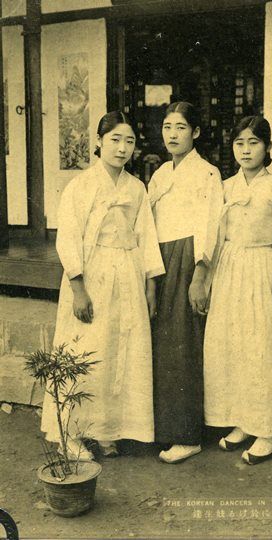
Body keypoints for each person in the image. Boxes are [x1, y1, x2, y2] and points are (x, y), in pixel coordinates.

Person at [41, 111, 165, 460]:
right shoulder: (81, 186)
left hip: (127, 272)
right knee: (88, 350)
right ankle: (73, 435)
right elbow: (68, 238)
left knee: (119, 351)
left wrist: (150, 285)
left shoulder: (136, 187)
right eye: (114, 140)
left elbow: (147, 239)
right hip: (91, 275)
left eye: (129, 141)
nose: (122, 148)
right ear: (98, 142)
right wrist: (78, 287)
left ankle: (108, 429)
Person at [204, 116, 272, 464]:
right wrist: (209, 278)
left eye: (253, 143)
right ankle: (243, 421)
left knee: (262, 347)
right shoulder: (226, 188)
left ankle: (268, 429)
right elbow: (215, 237)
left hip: (263, 269)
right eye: (239, 143)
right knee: (234, 347)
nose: (245, 150)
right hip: (230, 269)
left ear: (268, 147)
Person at [148, 101, 223, 464]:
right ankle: (159, 428)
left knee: (182, 341)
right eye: (167, 127)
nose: (173, 134)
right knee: (160, 344)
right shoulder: (161, 173)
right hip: (159, 258)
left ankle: (187, 434)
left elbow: (210, 226)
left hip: (188, 257)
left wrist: (201, 273)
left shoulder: (208, 173)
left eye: (180, 127)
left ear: (195, 132)